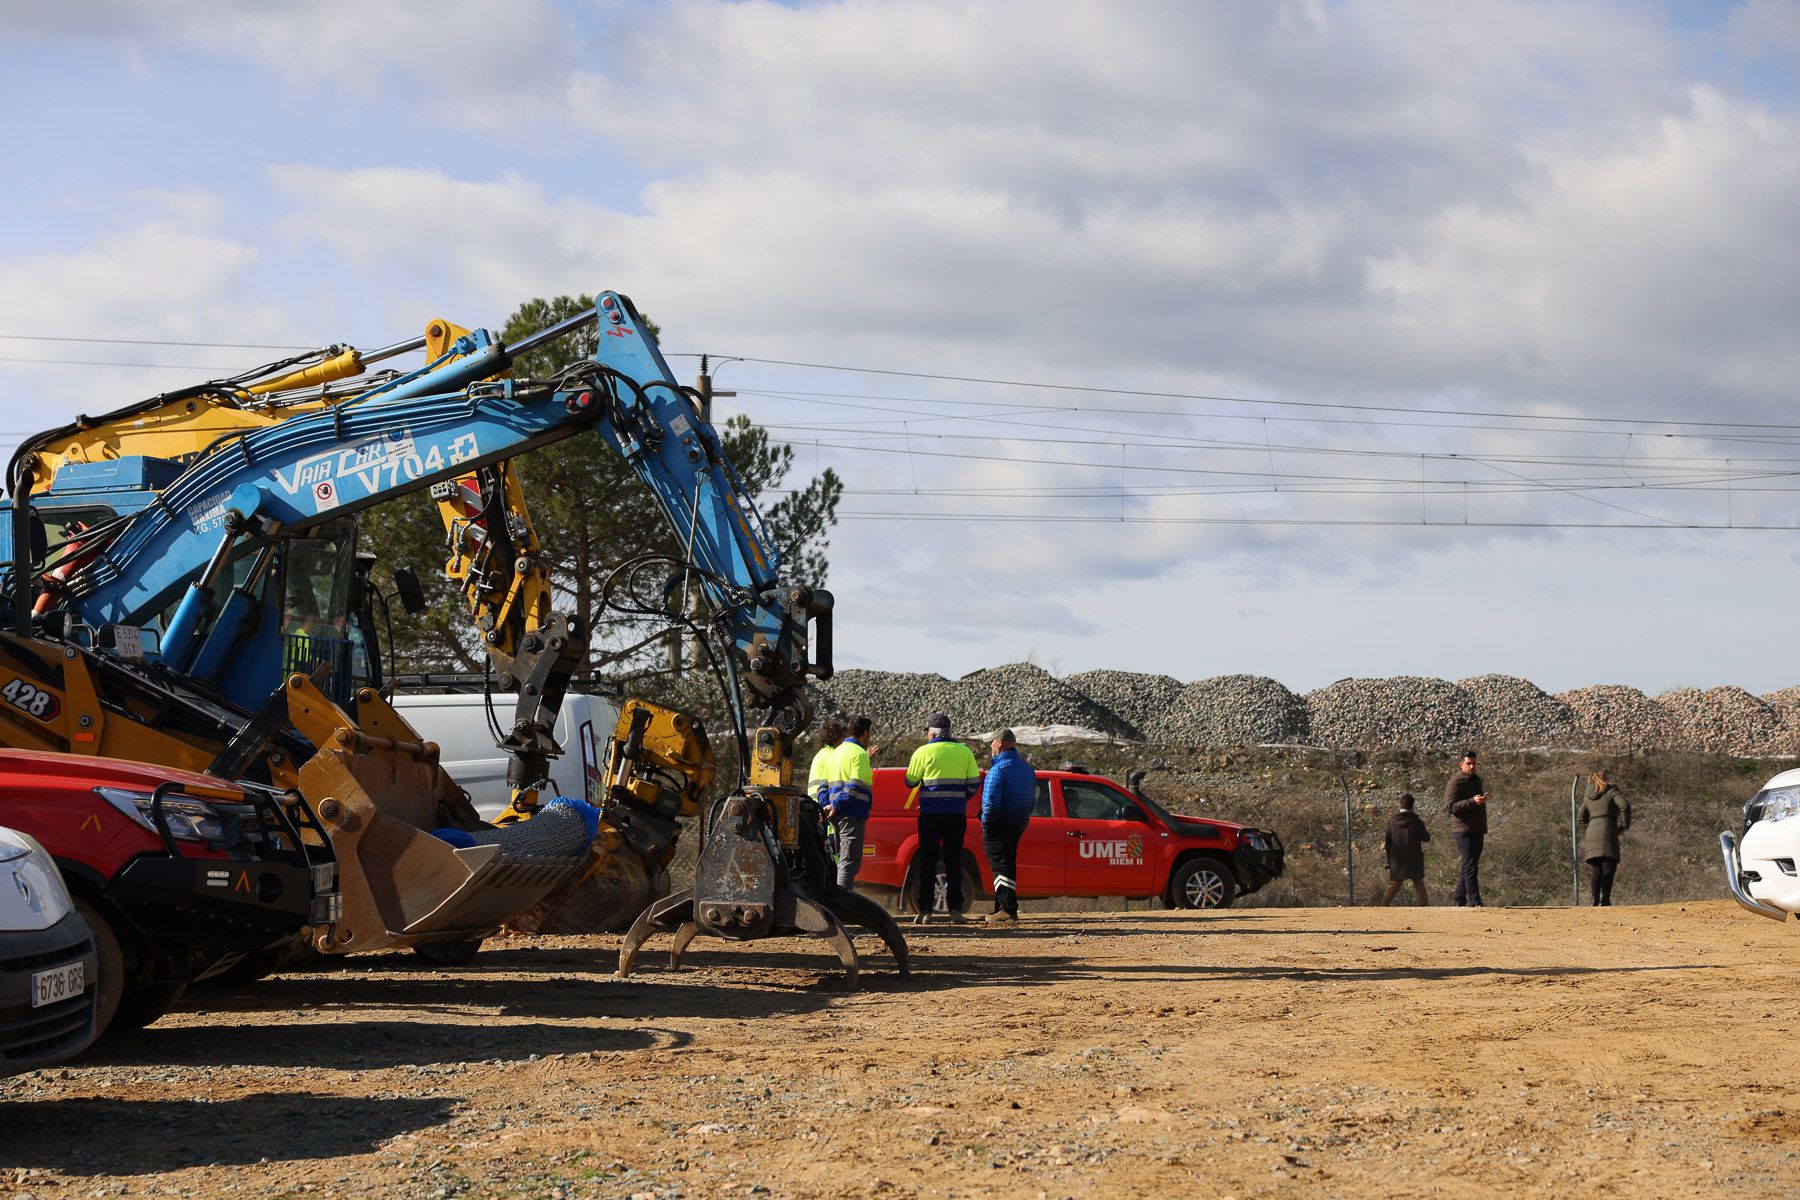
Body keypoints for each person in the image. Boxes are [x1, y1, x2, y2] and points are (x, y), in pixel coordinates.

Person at [904, 711, 981, 924]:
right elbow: (974, 783)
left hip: (930, 814)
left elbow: (910, 781)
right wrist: (960, 798)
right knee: (954, 861)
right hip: (956, 814)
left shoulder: (922, 752)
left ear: (932, 733)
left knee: (928, 861)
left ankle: (925, 911)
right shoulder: (964, 751)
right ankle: (955, 910)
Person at [980, 728, 1036, 924]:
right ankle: (1001, 907)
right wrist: (1024, 819)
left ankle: (1007, 909)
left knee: (1001, 865)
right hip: (1018, 822)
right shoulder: (1027, 769)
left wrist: (987, 825)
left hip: (999, 822)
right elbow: (1032, 799)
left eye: (992, 742)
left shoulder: (998, 770)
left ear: (999, 743)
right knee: (1007, 863)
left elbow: (990, 803)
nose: (990, 746)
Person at [826, 716, 874, 890]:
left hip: (836, 814)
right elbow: (855, 786)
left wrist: (828, 805)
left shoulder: (836, 753)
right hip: (851, 813)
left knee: (842, 859)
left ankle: (840, 899)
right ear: (865, 733)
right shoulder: (859, 754)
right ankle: (843, 902)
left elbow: (824, 785)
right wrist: (837, 805)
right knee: (849, 861)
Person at [1578, 769, 1631, 906]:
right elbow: (1625, 805)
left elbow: (1580, 819)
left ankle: (1594, 900)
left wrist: (1591, 827)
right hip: (1609, 830)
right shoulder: (1611, 791)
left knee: (1596, 869)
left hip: (1592, 832)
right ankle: (1605, 900)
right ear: (1605, 778)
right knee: (1608, 868)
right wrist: (1624, 826)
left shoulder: (1588, 796)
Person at [1444, 748, 1488, 907]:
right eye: (1468, 763)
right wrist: (1472, 802)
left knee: (1469, 865)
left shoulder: (1477, 780)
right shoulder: (1456, 782)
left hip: (1477, 828)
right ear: (1461, 764)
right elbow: (1450, 806)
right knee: (1470, 866)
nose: (1472, 766)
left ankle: (1459, 899)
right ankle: (1475, 901)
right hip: (1462, 829)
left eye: (1474, 763)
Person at [1380, 793, 1431, 906]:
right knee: (1418, 883)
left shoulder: (1392, 821)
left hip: (1397, 858)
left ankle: (1383, 906)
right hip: (1414, 857)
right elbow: (1426, 838)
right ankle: (1425, 907)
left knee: (1394, 883)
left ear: (1400, 805)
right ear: (1412, 806)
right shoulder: (1416, 822)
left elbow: (1388, 841)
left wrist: (1389, 861)